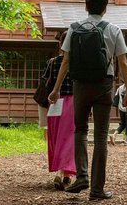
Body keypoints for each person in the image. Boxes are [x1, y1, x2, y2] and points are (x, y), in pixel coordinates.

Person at [49, 0, 127, 201]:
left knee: (80, 131)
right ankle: (97, 189)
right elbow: (122, 62)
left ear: (86, 7)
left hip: (80, 85)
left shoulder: (74, 29)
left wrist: (56, 89)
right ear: (105, 9)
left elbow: (66, 61)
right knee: (101, 137)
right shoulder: (113, 29)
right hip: (104, 85)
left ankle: (82, 176)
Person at [45, 31, 75, 190]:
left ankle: (60, 172)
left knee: (56, 138)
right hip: (72, 101)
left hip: (55, 103)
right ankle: (64, 173)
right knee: (68, 138)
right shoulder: (77, 63)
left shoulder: (52, 62)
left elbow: (46, 83)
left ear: (60, 44)